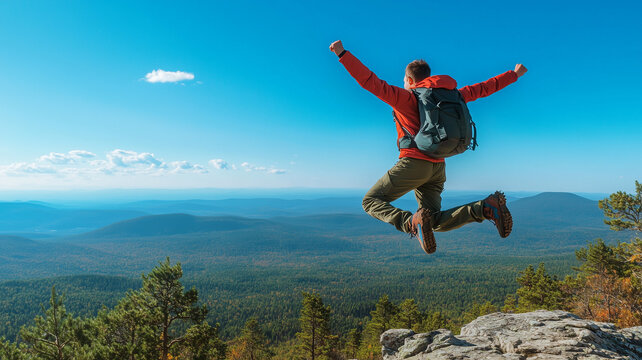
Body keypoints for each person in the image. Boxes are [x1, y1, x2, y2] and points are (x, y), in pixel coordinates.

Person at [329, 40, 528, 254]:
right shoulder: (455, 95)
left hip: (414, 163)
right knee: (432, 222)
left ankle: (409, 222)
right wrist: (514, 75)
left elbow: (370, 81)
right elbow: (484, 88)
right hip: (438, 167)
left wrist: (342, 54)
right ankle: (485, 207)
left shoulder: (406, 98)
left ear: (409, 79)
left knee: (370, 201)